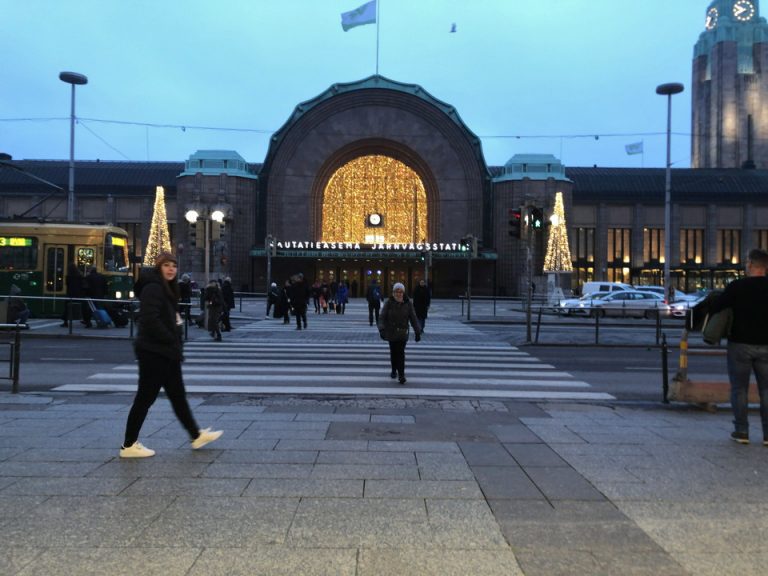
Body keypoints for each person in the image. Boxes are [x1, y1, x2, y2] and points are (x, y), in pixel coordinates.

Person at [120, 252, 222, 458]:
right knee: (145, 398)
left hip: (166, 352)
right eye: (166, 265)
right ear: (159, 267)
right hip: (154, 352)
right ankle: (129, 445)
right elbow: (150, 319)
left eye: (174, 266)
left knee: (177, 396)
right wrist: (169, 337)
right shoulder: (153, 288)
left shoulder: (165, 288)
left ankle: (195, 435)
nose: (171, 269)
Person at [710, 248, 768, 445]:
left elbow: (717, 307)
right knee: (766, 390)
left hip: (740, 344)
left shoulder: (737, 286)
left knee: (739, 389)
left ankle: (742, 431)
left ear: (750, 264)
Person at [378, 282, 422, 385]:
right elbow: (382, 317)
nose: (398, 294)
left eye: (400, 292)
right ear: (393, 293)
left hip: (402, 332)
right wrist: (382, 329)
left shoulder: (408, 303)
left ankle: (401, 375)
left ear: (403, 293)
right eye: (396, 291)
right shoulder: (389, 302)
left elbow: (413, 318)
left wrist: (417, 332)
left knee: (401, 353)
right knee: (394, 352)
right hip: (391, 332)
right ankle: (394, 369)